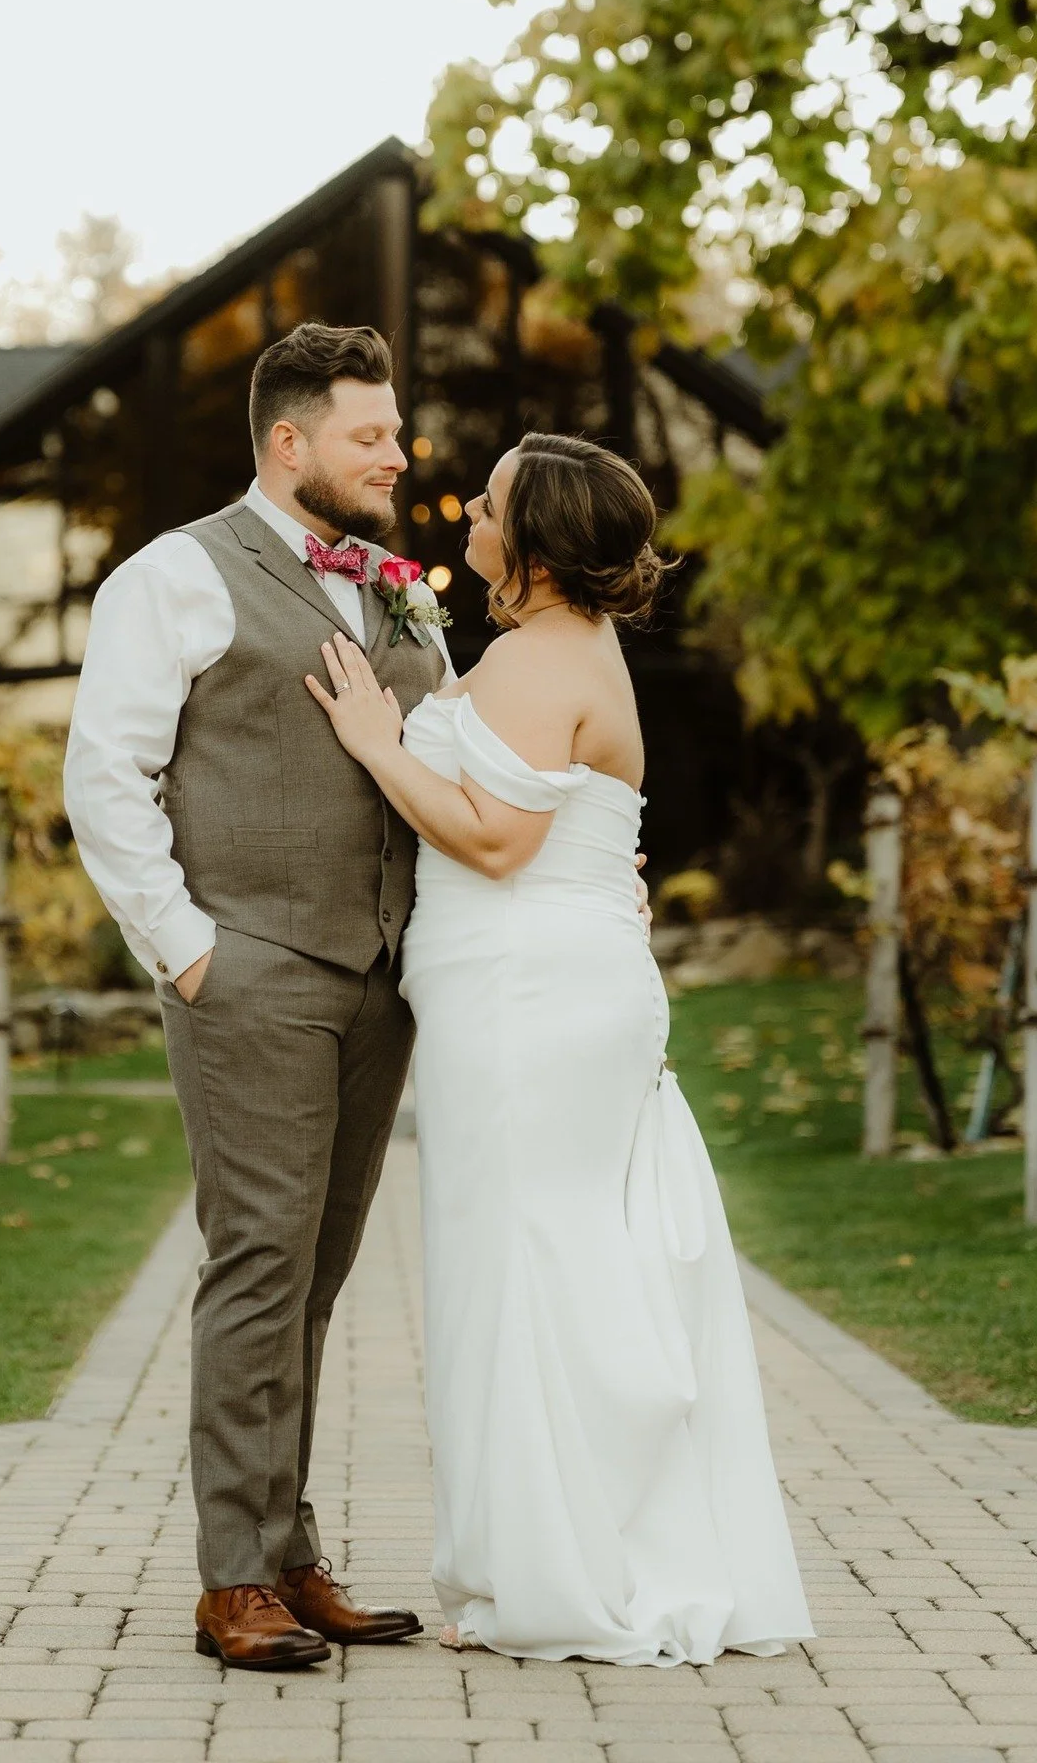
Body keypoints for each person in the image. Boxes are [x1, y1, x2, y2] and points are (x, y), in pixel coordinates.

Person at [306, 432, 813, 1666]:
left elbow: (492, 842)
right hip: (537, 989)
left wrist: (379, 741)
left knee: (531, 1264)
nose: (466, 511)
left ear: (530, 549)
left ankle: (565, 1567)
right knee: (532, 1255)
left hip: (532, 997)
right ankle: (547, 1550)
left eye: (486, 503)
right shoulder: (560, 650)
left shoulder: (538, 658)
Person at [64, 322, 450, 1669]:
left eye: (394, 433)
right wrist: (187, 949)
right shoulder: (172, 578)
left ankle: (288, 1553)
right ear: (289, 443)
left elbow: (446, 747)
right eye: (369, 436)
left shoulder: (393, 585)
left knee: (318, 1274)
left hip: (380, 979)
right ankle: (231, 1576)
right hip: (250, 971)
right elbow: (103, 778)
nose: (398, 456)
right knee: (255, 1266)